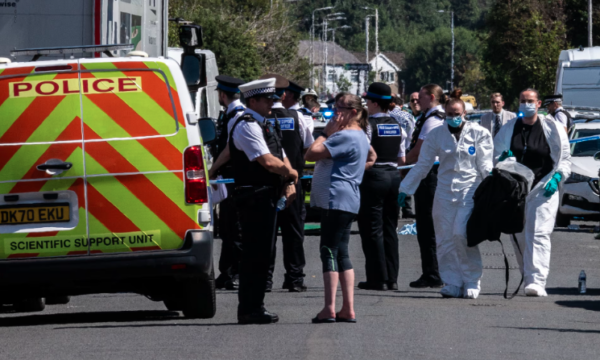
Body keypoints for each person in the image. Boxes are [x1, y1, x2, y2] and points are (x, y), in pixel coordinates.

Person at [398, 97, 493, 298]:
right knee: (444, 239)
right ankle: (451, 281)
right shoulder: (436, 135)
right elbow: (423, 165)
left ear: (464, 113)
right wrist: (404, 189)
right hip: (444, 193)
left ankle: (471, 280)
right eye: (449, 114)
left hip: (469, 191)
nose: (453, 118)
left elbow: (485, 166)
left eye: (457, 114)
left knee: (462, 235)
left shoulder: (479, 133)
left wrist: (492, 188)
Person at [229, 78, 299, 324]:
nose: (273, 103)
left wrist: (289, 181)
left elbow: (282, 155)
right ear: (253, 101)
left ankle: (256, 305)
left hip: (267, 195)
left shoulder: (265, 123)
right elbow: (267, 161)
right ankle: (249, 308)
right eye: (268, 100)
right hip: (254, 196)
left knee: (263, 253)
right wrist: (292, 175)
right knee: (255, 254)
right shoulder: (246, 125)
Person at [494, 88, 571, 297]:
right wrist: (503, 158)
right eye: (522, 101)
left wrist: (557, 177)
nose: (526, 104)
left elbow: (564, 159)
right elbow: (495, 155)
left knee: (538, 233)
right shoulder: (510, 129)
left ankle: (537, 280)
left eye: (530, 101)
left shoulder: (552, 127)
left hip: (543, 187)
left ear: (538, 104)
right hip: (516, 189)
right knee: (519, 235)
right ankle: (527, 275)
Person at [305, 92, 372, 323]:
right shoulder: (360, 135)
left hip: (336, 198)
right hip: (347, 198)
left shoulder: (344, 136)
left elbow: (311, 153)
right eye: (334, 107)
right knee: (341, 252)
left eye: (340, 108)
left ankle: (329, 308)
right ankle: (347, 308)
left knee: (329, 251)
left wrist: (325, 132)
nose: (335, 112)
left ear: (353, 112)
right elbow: (372, 156)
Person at [261, 74, 314, 293]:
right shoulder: (298, 118)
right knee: (293, 232)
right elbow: (307, 149)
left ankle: (265, 279)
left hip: (267, 183)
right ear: (284, 95)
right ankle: (295, 278)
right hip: (293, 182)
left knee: (267, 233)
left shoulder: (258, 118)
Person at [357, 83, 406, 291]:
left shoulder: (368, 125)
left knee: (372, 229)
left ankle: (377, 278)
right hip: (394, 176)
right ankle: (392, 278)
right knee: (390, 228)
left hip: (374, 176)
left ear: (375, 103)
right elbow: (402, 158)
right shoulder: (398, 125)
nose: (366, 104)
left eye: (367, 101)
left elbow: (363, 154)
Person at [403, 84, 446, 289]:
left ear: (430, 97)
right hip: (429, 175)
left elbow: (418, 151)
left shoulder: (433, 120)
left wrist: (398, 163)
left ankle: (433, 273)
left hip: (429, 176)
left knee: (427, 226)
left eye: (420, 97)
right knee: (427, 226)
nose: (417, 100)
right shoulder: (431, 117)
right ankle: (431, 271)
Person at [208, 75, 246, 291]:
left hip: (234, 179)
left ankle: (237, 272)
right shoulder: (230, 114)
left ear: (223, 94)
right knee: (228, 228)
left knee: (236, 228)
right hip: (227, 179)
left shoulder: (236, 116)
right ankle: (227, 272)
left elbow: (230, 149)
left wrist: (213, 169)